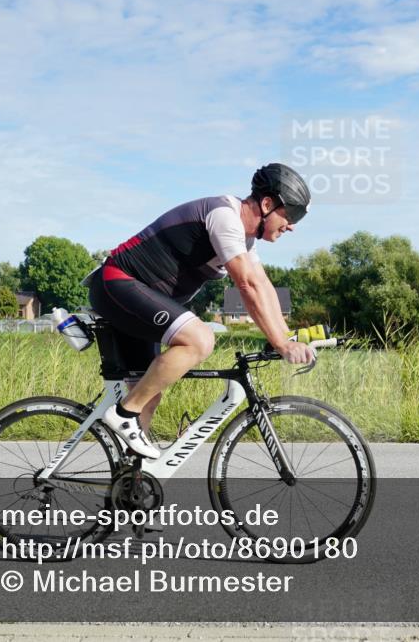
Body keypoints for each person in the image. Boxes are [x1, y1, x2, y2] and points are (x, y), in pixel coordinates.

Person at [87, 163, 316, 458]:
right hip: (117, 284)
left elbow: (263, 285)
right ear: (268, 204)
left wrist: (287, 336)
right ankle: (123, 414)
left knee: (148, 395)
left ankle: (129, 485)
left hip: (136, 298)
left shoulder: (245, 239)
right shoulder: (225, 218)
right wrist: (281, 344)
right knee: (200, 339)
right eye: (291, 215)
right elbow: (246, 286)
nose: (293, 225)